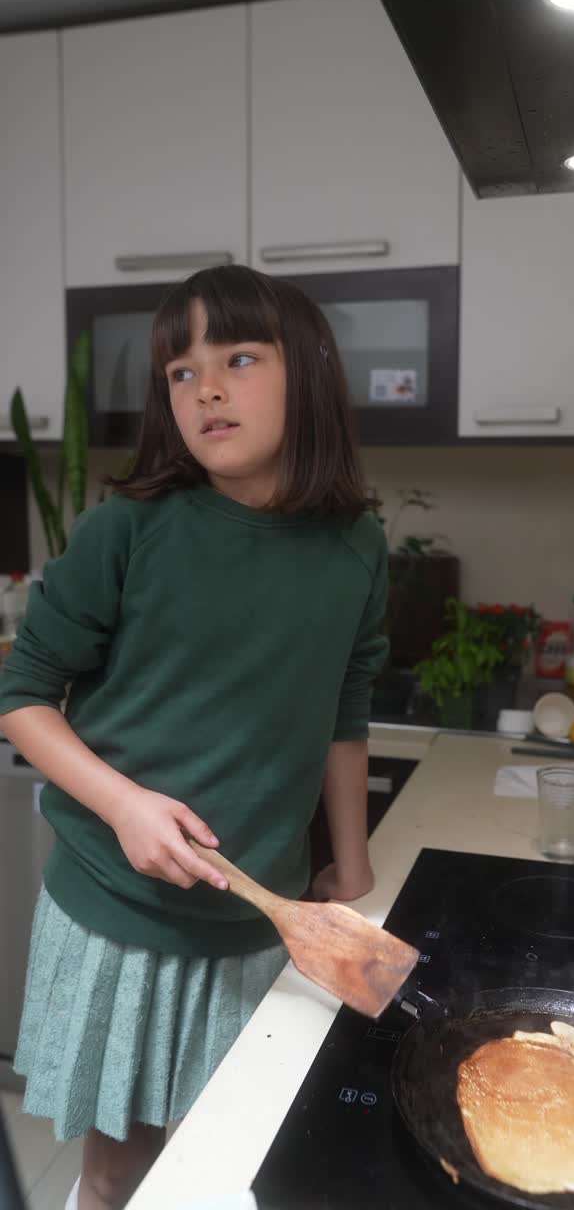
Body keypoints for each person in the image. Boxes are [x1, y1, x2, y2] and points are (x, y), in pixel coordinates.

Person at [0, 265, 388, 1210]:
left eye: (239, 358)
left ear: (310, 374)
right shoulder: (129, 529)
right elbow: (20, 692)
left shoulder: (355, 545)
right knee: (117, 1174)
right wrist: (125, 805)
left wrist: (350, 858)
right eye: (181, 370)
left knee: (233, 1169)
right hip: (119, 921)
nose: (205, 387)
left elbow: (344, 703)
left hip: (262, 923)